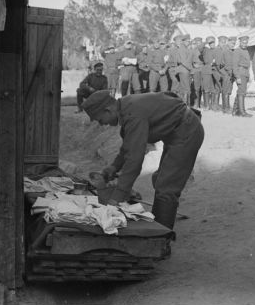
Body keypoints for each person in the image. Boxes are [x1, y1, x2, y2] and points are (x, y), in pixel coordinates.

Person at [81, 90, 204, 230]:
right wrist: (114, 167)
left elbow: (135, 160)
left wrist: (117, 198)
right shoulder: (125, 108)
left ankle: (161, 237)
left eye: (100, 119)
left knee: (167, 186)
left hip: (187, 131)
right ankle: (158, 225)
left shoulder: (133, 115)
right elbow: (129, 145)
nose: (102, 124)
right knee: (160, 180)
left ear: (108, 109)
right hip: (176, 132)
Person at [232, 35, 253, 117]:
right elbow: (234, 65)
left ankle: (235, 111)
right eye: (243, 42)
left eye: (246, 42)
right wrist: (237, 77)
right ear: (240, 42)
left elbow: (247, 64)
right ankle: (242, 112)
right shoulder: (237, 51)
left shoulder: (246, 51)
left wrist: (249, 75)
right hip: (240, 73)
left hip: (245, 73)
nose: (244, 44)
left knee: (241, 92)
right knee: (242, 92)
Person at [219, 36, 237, 114]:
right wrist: (228, 72)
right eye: (232, 43)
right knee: (225, 91)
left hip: (231, 74)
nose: (233, 45)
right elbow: (224, 64)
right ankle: (225, 108)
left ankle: (227, 107)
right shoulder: (226, 51)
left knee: (229, 91)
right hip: (226, 73)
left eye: (234, 43)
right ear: (228, 42)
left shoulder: (233, 51)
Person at [202, 36, 220, 111]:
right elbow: (200, 47)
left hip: (215, 71)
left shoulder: (217, 50)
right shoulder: (206, 50)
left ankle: (213, 105)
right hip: (206, 71)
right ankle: (206, 105)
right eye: (210, 43)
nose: (212, 44)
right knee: (206, 88)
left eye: (213, 42)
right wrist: (205, 42)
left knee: (214, 89)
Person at [176, 34, 193, 105]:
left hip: (185, 70)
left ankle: (183, 105)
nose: (188, 42)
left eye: (189, 41)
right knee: (186, 89)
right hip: (184, 70)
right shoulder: (182, 49)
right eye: (186, 41)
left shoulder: (186, 49)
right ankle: (186, 106)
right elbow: (183, 61)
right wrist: (191, 69)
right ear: (183, 41)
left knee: (184, 88)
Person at [190, 37, 204, 108]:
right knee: (196, 87)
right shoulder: (193, 50)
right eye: (197, 42)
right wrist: (193, 64)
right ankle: (196, 103)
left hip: (203, 69)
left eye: (200, 42)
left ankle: (199, 103)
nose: (198, 44)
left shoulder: (204, 50)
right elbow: (189, 60)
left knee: (202, 87)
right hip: (196, 70)